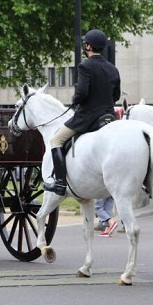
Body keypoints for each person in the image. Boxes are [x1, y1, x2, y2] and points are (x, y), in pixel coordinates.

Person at [43, 29, 121, 196]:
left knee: (56, 139)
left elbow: (82, 93)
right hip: (108, 116)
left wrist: (75, 100)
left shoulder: (85, 66)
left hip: (87, 117)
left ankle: (60, 183)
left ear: (88, 46)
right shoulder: (113, 69)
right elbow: (116, 95)